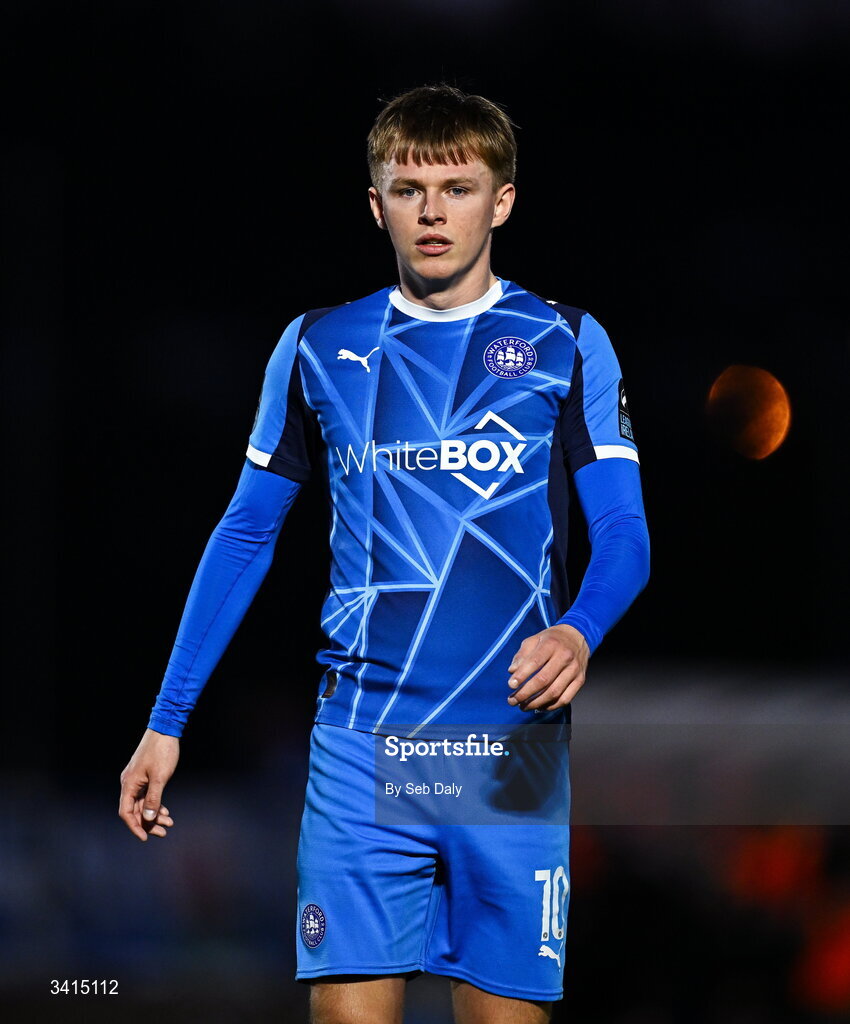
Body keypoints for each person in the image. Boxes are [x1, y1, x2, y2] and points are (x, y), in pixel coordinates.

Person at [119, 84, 650, 1024]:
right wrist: (167, 720)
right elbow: (245, 533)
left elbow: (622, 534)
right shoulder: (318, 344)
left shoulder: (567, 341)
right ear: (377, 205)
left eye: (459, 186)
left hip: (505, 753)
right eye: (409, 189)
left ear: (504, 200)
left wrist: (579, 630)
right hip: (363, 744)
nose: (433, 211)